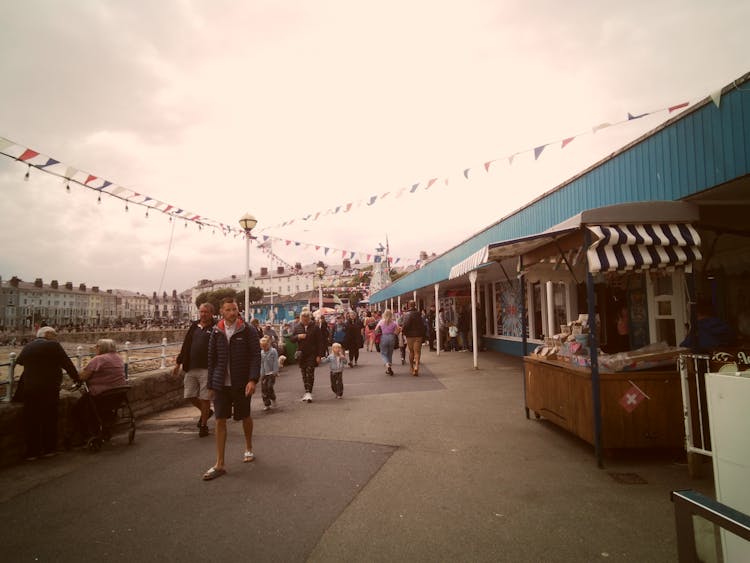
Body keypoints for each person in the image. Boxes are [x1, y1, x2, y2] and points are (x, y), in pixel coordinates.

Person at [202, 297, 261, 481]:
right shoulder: (216, 331)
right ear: (222, 311)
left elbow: (255, 356)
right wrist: (211, 384)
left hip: (241, 382)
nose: (232, 313)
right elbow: (211, 358)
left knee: (245, 416)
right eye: (228, 310)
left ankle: (249, 447)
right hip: (221, 384)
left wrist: (252, 379)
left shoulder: (247, 330)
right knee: (220, 420)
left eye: (234, 309)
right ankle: (220, 463)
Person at [16, 326, 79, 460]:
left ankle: (32, 452)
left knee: (31, 419)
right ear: (48, 334)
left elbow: (19, 361)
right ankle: (49, 449)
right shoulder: (53, 345)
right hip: (48, 387)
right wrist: (77, 379)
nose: (56, 337)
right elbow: (67, 364)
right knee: (49, 418)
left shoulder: (29, 345)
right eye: (55, 334)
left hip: (29, 388)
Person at [69, 338, 127, 446]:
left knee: (77, 410)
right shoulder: (118, 358)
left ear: (102, 348)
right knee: (98, 410)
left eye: (97, 346)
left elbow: (82, 377)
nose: (95, 348)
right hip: (117, 394)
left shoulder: (98, 359)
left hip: (101, 396)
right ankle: (103, 429)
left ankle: (86, 435)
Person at [173, 303, 215, 437]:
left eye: (206, 312)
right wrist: (178, 363)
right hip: (191, 367)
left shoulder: (215, 327)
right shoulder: (194, 326)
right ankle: (207, 413)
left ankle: (203, 426)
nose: (203, 314)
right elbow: (186, 345)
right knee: (190, 395)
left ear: (211, 313)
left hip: (207, 368)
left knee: (205, 399)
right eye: (201, 312)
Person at [289, 309, 323, 403]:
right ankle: (306, 390)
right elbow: (291, 339)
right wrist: (298, 337)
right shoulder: (297, 327)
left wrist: (319, 355)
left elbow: (320, 342)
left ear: (309, 319)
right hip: (301, 354)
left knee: (310, 371)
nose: (304, 321)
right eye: (303, 320)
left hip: (312, 353)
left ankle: (309, 392)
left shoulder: (315, 327)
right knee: (304, 373)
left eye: (306, 319)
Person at [401, 300, 426, 376]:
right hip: (418, 335)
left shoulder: (406, 314)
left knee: (411, 352)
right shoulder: (419, 314)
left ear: (409, 305)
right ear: (415, 305)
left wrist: (404, 332)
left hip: (410, 336)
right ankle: (417, 366)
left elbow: (405, 325)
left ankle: (411, 367)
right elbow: (423, 325)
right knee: (417, 352)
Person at [375, 309, 401, 376]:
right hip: (392, 337)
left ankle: (387, 365)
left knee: (383, 353)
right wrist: (395, 334)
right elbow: (399, 329)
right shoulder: (394, 322)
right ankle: (389, 368)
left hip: (383, 337)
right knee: (390, 353)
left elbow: (376, 329)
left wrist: (377, 334)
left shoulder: (381, 321)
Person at [259, 336, 279, 412]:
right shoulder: (261, 353)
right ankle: (267, 404)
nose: (264, 348)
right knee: (264, 389)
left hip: (271, 373)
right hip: (265, 373)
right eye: (262, 346)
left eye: (265, 346)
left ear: (269, 344)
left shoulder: (273, 351)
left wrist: (275, 371)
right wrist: (262, 373)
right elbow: (261, 364)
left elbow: (275, 362)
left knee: (269, 386)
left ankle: (273, 398)